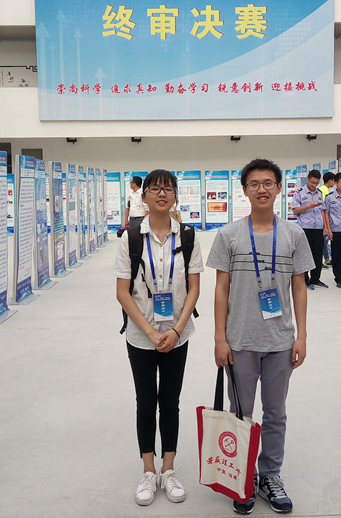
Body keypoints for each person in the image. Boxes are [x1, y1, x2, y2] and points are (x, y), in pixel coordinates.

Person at [207, 158, 313, 515]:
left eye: (268, 183)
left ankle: (269, 475)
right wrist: (220, 338)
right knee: (241, 415)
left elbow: (299, 287)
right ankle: (242, 476)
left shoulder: (294, 235)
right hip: (240, 341)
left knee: (276, 413)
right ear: (245, 190)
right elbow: (221, 289)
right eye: (254, 184)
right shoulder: (229, 235)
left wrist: (301, 336)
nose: (262, 189)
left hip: (281, 341)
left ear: (279, 188)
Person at [114, 169, 203, 507]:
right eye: (155, 188)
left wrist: (176, 330)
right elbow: (123, 293)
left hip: (178, 334)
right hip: (141, 335)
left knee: (170, 401)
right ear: (144, 196)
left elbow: (194, 289)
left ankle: (169, 469)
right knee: (145, 401)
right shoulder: (130, 237)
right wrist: (151, 332)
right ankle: (148, 470)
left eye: (168, 189)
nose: (161, 194)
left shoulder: (188, 237)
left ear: (176, 196)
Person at [291, 169, 328, 289]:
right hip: (305, 228)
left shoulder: (319, 193)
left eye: (316, 183)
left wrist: (325, 227)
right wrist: (309, 206)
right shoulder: (299, 193)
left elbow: (323, 210)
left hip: (318, 227)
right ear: (307, 179)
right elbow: (295, 210)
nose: (314, 185)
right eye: (312, 182)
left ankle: (315, 279)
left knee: (318, 254)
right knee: (305, 255)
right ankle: (305, 281)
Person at [320, 172, 335, 266]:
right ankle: (325, 260)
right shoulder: (325, 191)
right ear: (330, 181)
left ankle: (326, 259)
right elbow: (324, 209)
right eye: (334, 181)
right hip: (323, 220)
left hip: (323, 220)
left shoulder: (322, 189)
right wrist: (325, 225)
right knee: (323, 241)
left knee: (324, 241)